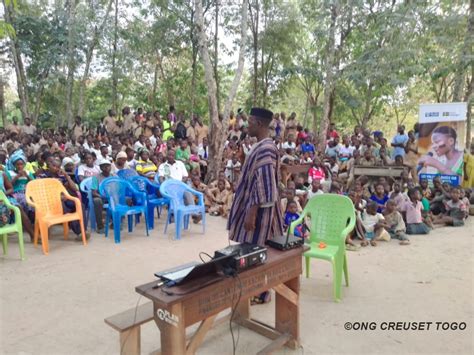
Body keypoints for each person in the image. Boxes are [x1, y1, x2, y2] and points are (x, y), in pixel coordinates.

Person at [227, 107, 284, 246]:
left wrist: (252, 213)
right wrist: (243, 159)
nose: (247, 125)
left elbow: (265, 184)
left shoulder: (265, 149)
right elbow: (256, 171)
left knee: (256, 247)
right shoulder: (260, 145)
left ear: (259, 124)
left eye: (250, 121)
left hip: (259, 211)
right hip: (253, 205)